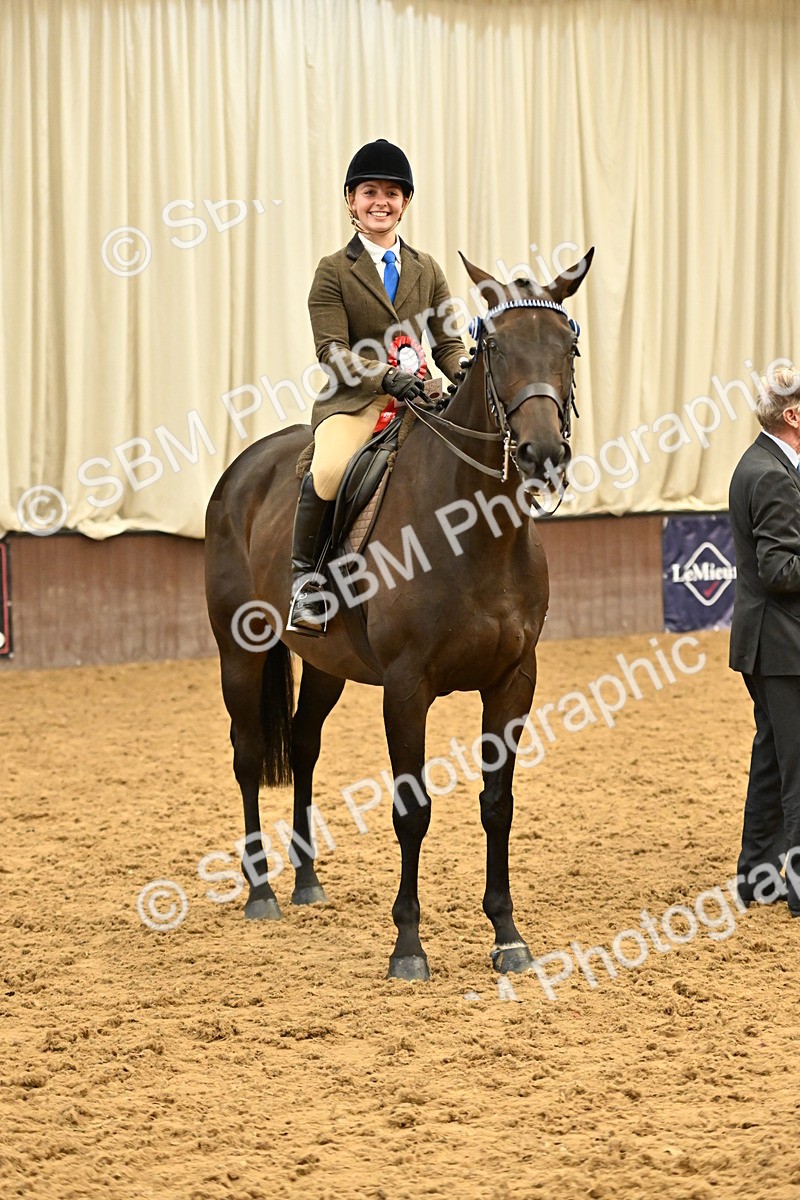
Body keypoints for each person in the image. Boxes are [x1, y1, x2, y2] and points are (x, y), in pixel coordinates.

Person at [286, 138, 467, 636]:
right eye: (370, 191)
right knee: (326, 471)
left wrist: (463, 376)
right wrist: (386, 376)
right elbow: (331, 351)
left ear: (405, 202)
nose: (380, 201)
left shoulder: (427, 268)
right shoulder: (332, 271)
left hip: (421, 401)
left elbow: (448, 343)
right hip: (357, 401)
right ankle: (306, 583)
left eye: (392, 192)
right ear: (351, 200)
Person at [729, 363, 800, 911]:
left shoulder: (763, 462)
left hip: (770, 645)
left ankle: (757, 877)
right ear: (793, 415)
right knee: (795, 768)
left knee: (775, 759)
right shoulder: (774, 474)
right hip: (784, 647)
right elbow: (779, 571)